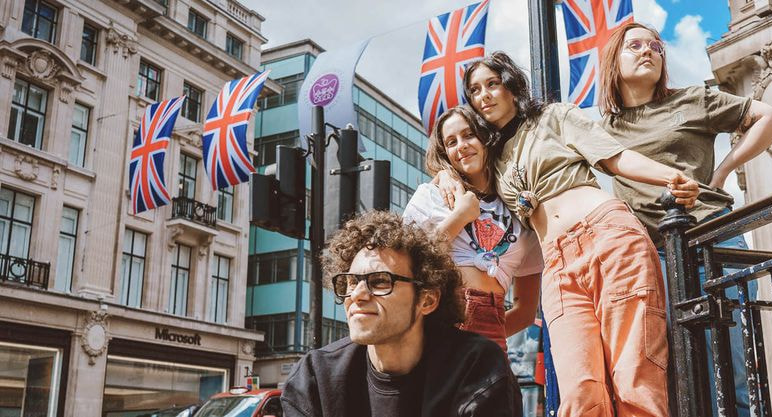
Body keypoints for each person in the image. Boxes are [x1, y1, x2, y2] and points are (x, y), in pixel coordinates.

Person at [436, 51, 701, 417]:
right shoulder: (492, 157)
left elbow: (614, 156)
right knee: (579, 390)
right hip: (556, 265)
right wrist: (446, 174)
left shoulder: (553, 117)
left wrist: (670, 177)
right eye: (474, 90)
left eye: (492, 84)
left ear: (511, 86)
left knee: (633, 375)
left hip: (607, 236)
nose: (483, 95)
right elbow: (457, 162)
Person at [598, 22, 772, 417]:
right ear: (614, 58)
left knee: (730, 365)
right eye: (634, 45)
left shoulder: (693, 99)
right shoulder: (603, 130)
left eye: (655, 45)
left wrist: (718, 175)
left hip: (712, 240)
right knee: (670, 369)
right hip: (652, 257)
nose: (648, 50)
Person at [280, 211, 522, 417]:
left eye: (381, 281)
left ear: (427, 300)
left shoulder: (476, 367)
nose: (357, 295)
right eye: (351, 282)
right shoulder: (316, 376)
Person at [404, 105, 543, 351]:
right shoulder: (431, 195)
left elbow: (525, 311)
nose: (461, 145)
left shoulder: (517, 204)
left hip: (493, 321)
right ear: (445, 153)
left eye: (469, 135)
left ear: (486, 138)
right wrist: (460, 215)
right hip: (441, 316)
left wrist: (491, 337)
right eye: (451, 142)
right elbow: (409, 263)